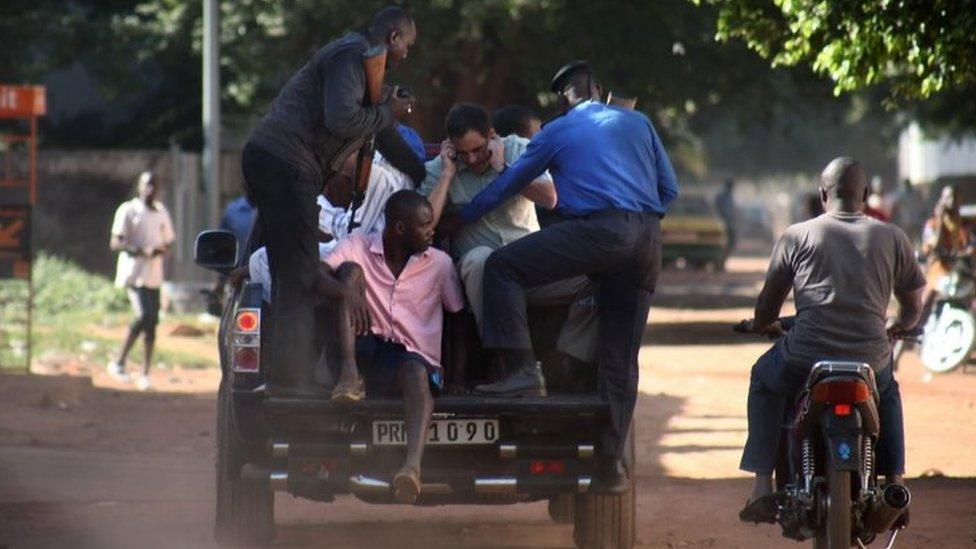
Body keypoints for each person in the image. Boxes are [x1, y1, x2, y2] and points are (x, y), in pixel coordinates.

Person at [457, 61, 679, 493]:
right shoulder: (638, 122)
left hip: (599, 231)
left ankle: (522, 370)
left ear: (565, 98)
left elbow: (508, 185)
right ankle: (611, 465)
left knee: (502, 267)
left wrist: (459, 217)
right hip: (647, 240)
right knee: (619, 358)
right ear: (597, 89)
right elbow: (668, 190)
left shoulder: (557, 132)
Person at [737, 158, 925, 523]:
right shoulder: (893, 236)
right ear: (866, 195)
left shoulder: (798, 235)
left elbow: (768, 304)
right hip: (871, 357)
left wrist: (762, 324)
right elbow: (913, 304)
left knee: (763, 378)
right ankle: (895, 482)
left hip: (805, 356)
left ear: (823, 194)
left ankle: (762, 486)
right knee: (887, 392)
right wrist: (900, 326)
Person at [241, 6, 416, 397]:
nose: (407, 54)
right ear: (392, 38)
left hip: (277, 163)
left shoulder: (359, 63)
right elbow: (343, 121)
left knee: (292, 272)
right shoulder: (352, 55)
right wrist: (388, 111)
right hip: (286, 166)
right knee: (300, 275)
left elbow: (380, 134)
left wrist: (421, 173)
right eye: (407, 44)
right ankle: (292, 381)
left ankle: (286, 379)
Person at [420, 103, 597, 388]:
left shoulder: (517, 149)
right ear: (451, 148)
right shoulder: (442, 167)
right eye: (462, 152)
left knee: (596, 281)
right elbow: (424, 224)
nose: (472, 158)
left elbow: (549, 197)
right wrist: (447, 175)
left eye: (477, 149)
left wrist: (504, 170)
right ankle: (506, 361)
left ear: (491, 135)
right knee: (481, 260)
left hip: (531, 269)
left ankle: (569, 360)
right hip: (485, 280)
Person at [319, 190, 465, 503]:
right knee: (349, 272)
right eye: (424, 226)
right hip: (362, 345)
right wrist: (347, 292)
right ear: (399, 228)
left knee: (415, 373)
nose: (431, 231)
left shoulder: (440, 264)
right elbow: (318, 274)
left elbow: (458, 318)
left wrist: (457, 378)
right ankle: (349, 377)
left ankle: (411, 468)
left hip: (407, 359)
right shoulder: (358, 244)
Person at [106, 171, 176, 391]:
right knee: (143, 315)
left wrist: (158, 251)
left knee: (152, 322)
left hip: (153, 274)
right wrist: (136, 249)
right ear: (140, 187)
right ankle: (118, 360)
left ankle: (145, 372)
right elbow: (116, 242)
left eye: (154, 185)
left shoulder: (161, 212)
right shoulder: (129, 210)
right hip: (133, 273)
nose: (151, 189)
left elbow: (168, 241)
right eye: (147, 185)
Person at [715, 178, 737, 265]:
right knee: (724, 244)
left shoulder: (727, 196)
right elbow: (722, 211)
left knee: (730, 244)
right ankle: (719, 262)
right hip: (723, 226)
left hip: (728, 225)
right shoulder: (723, 197)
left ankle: (721, 261)